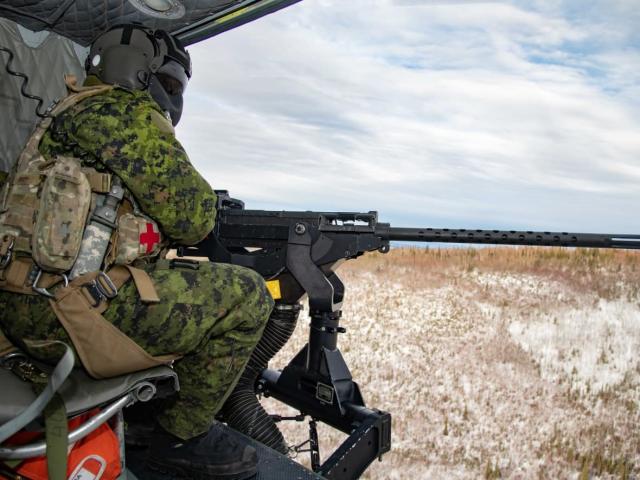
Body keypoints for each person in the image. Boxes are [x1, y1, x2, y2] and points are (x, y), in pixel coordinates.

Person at [0, 25, 273, 480]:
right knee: (247, 296)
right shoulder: (120, 111)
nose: (172, 99)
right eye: (167, 84)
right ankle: (179, 439)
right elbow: (193, 216)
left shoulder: (66, 112)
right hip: (63, 314)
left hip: (20, 307)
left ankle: (147, 415)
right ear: (138, 71)